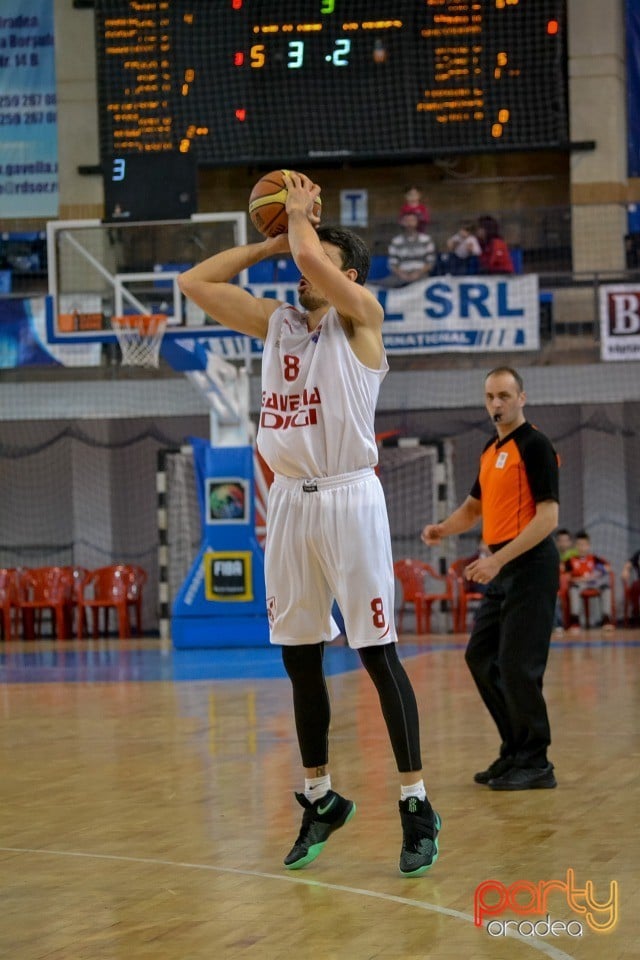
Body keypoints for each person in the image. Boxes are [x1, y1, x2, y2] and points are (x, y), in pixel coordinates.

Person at [177, 171, 440, 877]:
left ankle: (416, 803)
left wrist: (301, 229)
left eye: (311, 259)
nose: (300, 271)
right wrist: (268, 244)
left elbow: (315, 261)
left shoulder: (363, 318)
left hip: (352, 498)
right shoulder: (277, 324)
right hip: (288, 500)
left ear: (344, 271)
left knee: (376, 651)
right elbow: (194, 284)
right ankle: (321, 797)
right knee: (298, 656)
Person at [422, 366, 559, 791]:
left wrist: (498, 562)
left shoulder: (534, 445)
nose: (496, 404)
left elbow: (549, 517)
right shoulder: (489, 449)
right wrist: (444, 528)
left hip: (530, 566)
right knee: (480, 658)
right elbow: (473, 508)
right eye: (490, 397)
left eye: (504, 395)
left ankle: (536, 762)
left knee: (519, 666)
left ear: (522, 398)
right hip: (502, 567)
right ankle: (514, 750)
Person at [564, 531, 614, 633]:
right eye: (579, 545)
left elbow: (608, 568)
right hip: (579, 584)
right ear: (575, 546)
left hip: (594, 583)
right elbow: (565, 576)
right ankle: (575, 621)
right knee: (573, 589)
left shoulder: (594, 559)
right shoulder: (570, 561)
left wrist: (596, 574)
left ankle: (606, 620)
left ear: (588, 546)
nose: (582, 547)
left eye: (584, 545)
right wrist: (581, 579)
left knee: (606, 587)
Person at [383, 211, 436, 287]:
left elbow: (430, 263)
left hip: (421, 277)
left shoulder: (426, 240)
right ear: (402, 222)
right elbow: (392, 264)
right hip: (400, 278)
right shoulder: (396, 241)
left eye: (412, 220)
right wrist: (403, 275)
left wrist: (418, 274)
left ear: (417, 222)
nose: (409, 223)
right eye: (407, 221)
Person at [553, 528, 578, 633]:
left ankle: (575, 623)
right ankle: (557, 624)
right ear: (557, 542)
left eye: (565, 540)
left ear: (570, 542)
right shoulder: (553, 554)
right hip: (558, 586)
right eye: (560, 540)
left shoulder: (575, 555)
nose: (563, 543)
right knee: (553, 596)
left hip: (573, 585)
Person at [621, 549, 640, 625]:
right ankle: (636, 613)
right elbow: (628, 564)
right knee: (635, 586)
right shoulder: (638, 553)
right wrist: (625, 570)